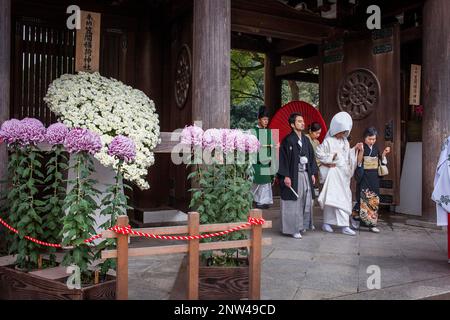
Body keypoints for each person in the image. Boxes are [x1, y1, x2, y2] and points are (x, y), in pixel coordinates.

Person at [316, 112, 363, 236]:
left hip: (343, 174)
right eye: (342, 131)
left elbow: (348, 156)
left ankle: (344, 225)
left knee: (344, 197)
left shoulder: (345, 142)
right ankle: (327, 222)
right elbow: (319, 153)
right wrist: (332, 157)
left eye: (345, 132)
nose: (343, 134)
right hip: (333, 173)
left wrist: (355, 149)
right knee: (332, 198)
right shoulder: (328, 141)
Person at [277, 113, 318, 239]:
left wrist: (311, 173)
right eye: (299, 121)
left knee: (306, 198)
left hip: (305, 173)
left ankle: (302, 225)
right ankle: (293, 229)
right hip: (294, 175)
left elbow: (311, 157)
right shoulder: (288, 140)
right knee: (294, 201)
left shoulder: (306, 140)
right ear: (292, 124)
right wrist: (285, 176)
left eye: (303, 121)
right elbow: (283, 160)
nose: (302, 123)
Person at [351, 127, 391, 233]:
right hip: (364, 175)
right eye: (370, 139)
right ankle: (355, 218)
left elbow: (380, 160)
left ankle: (372, 224)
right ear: (365, 138)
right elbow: (359, 162)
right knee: (363, 199)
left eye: (374, 139)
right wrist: (361, 151)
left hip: (374, 176)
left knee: (373, 199)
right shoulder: (361, 147)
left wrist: (384, 154)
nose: (372, 141)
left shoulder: (376, 148)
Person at [251, 106, 275, 209]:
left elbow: (272, 146)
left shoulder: (269, 131)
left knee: (266, 183)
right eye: (264, 119)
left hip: (267, 161)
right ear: (259, 119)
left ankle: (264, 201)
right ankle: (255, 200)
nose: (266, 121)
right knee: (257, 182)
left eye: (267, 119)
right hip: (257, 161)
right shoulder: (253, 131)